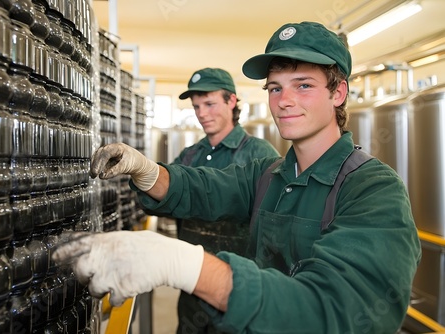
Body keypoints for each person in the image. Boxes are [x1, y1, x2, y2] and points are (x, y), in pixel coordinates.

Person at [54, 21, 421, 333]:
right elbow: (204, 187)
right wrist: (146, 171)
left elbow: (334, 310)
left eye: (303, 85)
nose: (285, 100)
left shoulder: (374, 190)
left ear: (338, 93)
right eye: (275, 88)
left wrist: (183, 264)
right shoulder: (269, 175)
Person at [172, 67, 279, 333]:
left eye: (209, 104)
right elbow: (166, 202)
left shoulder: (259, 154)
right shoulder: (189, 156)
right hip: (192, 284)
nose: (202, 114)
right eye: (196, 107)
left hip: (238, 287)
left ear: (231, 101)